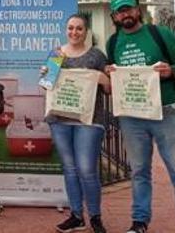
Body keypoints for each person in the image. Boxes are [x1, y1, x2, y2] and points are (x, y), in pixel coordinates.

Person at [104, 0, 175, 233]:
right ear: (114, 16)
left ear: (137, 11)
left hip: (165, 112)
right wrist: (110, 73)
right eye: (120, 11)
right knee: (139, 171)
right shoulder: (113, 42)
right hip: (132, 116)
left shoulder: (159, 34)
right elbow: (113, 76)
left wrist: (171, 71)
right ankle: (139, 222)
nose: (125, 14)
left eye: (128, 9)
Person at [46, 14, 111, 233]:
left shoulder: (96, 56)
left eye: (79, 29)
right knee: (70, 169)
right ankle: (76, 215)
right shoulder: (56, 54)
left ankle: (95, 216)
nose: (74, 32)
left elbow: (110, 88)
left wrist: (103, 79)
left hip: (89, 120)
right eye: (71, 28)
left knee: (86, 169)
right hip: (60, 119)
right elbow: (46, 85)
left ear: (86, 32)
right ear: (66, 30)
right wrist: (46, 73)